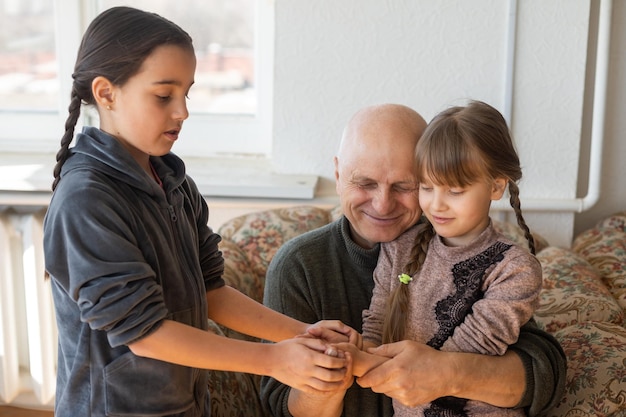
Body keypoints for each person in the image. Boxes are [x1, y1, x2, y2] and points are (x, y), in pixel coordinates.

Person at [43, 7, 358, 417]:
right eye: (163, 96)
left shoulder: (174, 183)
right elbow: (145, 334)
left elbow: (211, 292)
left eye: (186, 93)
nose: (182, 112)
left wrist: (303, 333)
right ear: (106, 93)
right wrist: (275, 360)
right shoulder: (86, 200)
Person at [260, 103, 566, 417]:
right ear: (338, 176)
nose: (382, 204)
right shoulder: (298, 266)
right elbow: (279, 406)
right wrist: (335, 369)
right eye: (365, 183)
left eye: (405, 186)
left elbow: (542, 369)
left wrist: (447, 372)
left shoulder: (479, 255)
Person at [350, 100, 543, 416]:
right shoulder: (399, 248)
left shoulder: (515, 270)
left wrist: (371, 362)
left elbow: (464, 353)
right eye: (426, 187)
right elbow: (376, 323)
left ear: (496, 186)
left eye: (454, 191)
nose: (436, 205)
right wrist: (355, 352)